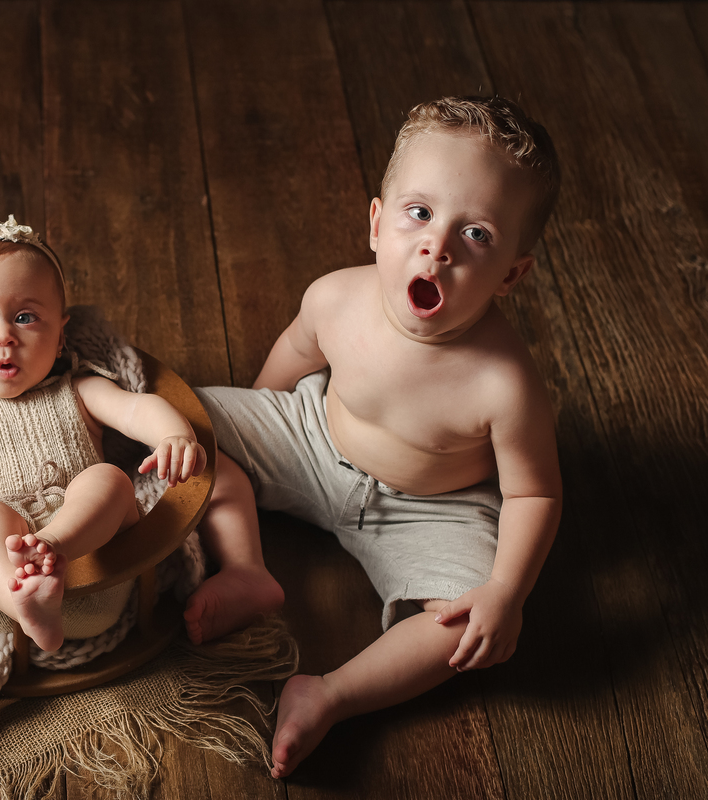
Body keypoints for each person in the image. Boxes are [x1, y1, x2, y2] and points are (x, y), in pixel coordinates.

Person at [189, 96, 564, 778]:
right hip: (313, 439)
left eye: (476, 233)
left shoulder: (505, 385)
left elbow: (534, 494)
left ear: (512, 272)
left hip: (430, 507)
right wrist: (257, 417)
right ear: (375, 222)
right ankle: (246, 568)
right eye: (418, 212)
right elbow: (296, 354)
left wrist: (506, 592)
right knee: (184, 425)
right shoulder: (336, 297)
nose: (438, 246)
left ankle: (329, 695)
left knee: (466, 628)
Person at [0, 216, 210, 653]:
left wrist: (174, 436)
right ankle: (29, 600)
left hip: (98, 574)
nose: (3, 336)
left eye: (25, 317)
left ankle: (51, 547)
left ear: (60, 335)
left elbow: (137, 408)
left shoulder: (79, 391)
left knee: (110, 480)